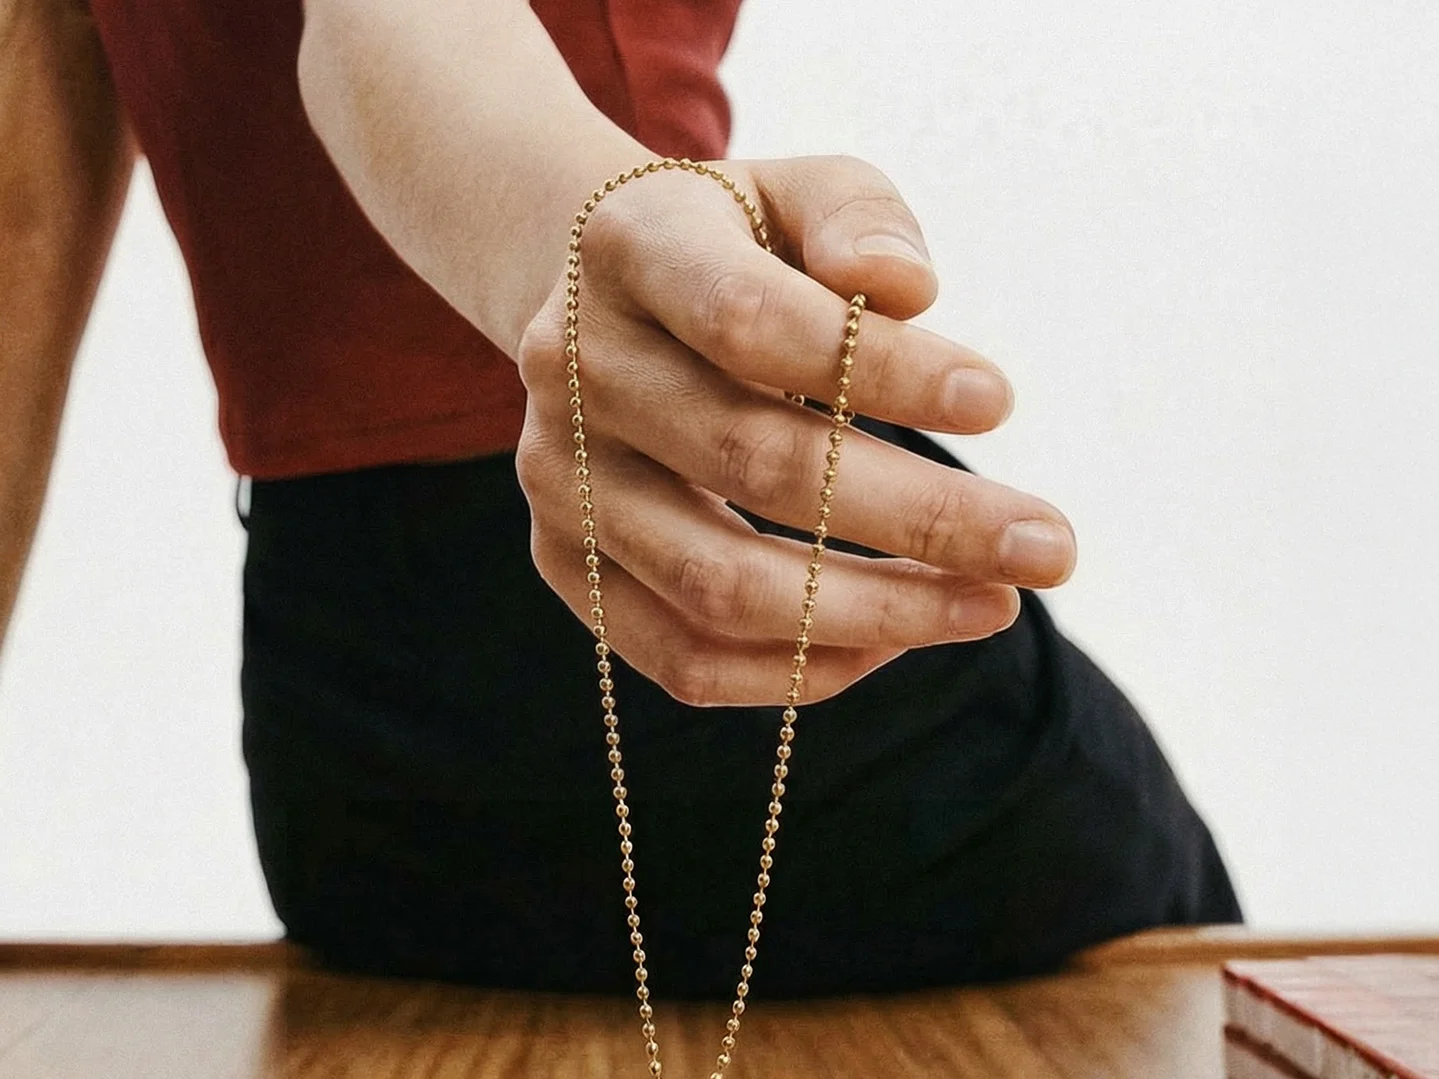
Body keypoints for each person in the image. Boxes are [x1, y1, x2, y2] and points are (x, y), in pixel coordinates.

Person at [1, 0, 1240, 998]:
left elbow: (21, 200)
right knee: (1195, 1053)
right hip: (696, 555)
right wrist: (582, 236)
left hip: (346, 711)